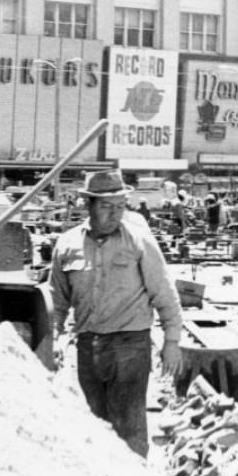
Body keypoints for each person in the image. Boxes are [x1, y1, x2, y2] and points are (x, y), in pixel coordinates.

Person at [48, 169, 184, 458]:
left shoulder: (138, 241)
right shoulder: (67, 244)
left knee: (129, 428)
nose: (114, 214)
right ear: (89, 206)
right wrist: (55, 338)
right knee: (93, 425)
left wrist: (171, 342)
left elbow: (164, 291)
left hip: (130, 347)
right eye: (107, 207)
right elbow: (56, 300)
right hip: (88, 348)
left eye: (120, 207)